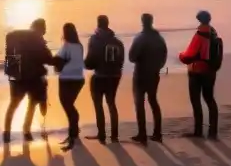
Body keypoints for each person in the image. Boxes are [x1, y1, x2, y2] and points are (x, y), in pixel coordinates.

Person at [3, 18, 54, 143]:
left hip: (18, 76)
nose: (45, 30)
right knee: (32, 104)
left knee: (13, 105)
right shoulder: (39, 41)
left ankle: (7, 133)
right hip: (33, 78)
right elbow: (48, 59)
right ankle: (26, 131)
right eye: (44, 28)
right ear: (40, 28)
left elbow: (9, 40)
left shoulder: (18, 37)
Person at [177, 10, 220, 139]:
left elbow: (189, 55)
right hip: (210, 70)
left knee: (196, 101)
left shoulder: (200, 34)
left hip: (197, 71)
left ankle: (198, 131)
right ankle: (213, 131)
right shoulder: (213, 32)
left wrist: (180, 55)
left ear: (199, 20)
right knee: (210, 99)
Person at [83, 15, 125, 143]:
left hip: (100, 76)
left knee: (98, 105)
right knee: (111, 104)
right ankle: (114, 135)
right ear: (108, 24)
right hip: (114, 77)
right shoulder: (118, 42)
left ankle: (101, 134)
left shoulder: (94, 40)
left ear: (98, 24)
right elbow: (121, 62)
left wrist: (84, 64)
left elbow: (90, 62)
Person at [128, 12, 168, 144]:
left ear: (142, 22)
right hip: (154, 73)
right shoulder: (159, 38)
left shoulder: (140, 38)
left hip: (141, 74)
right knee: (153, 101)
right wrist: (158, 66)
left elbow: (132, 57)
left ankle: (142, 133)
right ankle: (157, 133)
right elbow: (164, 56)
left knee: (139, 103)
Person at [52, 22, 85, 150]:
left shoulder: (66, 46)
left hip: (67, 79)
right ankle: (73, 133)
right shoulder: (79, 46)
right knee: (70, 106)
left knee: (69, 107)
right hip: (79, 80)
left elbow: (58, 64)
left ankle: (73, 135)